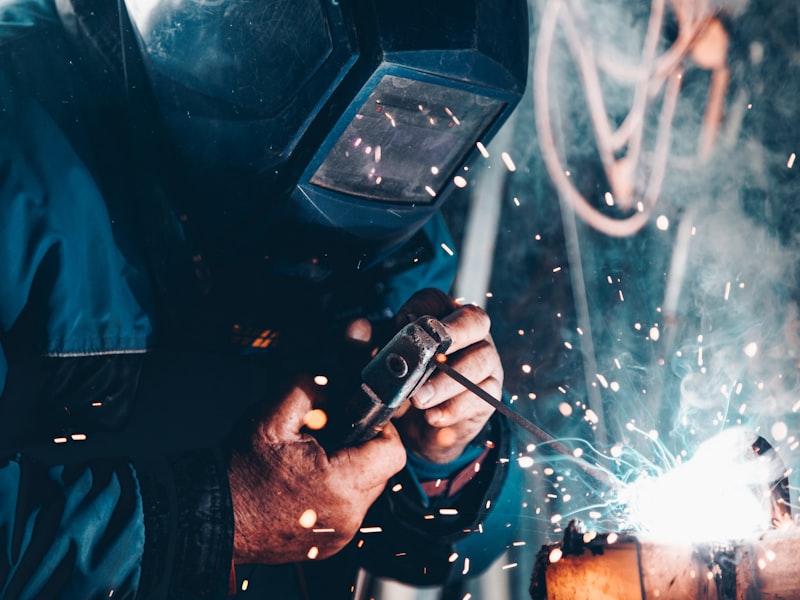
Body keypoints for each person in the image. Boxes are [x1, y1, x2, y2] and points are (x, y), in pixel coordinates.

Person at [0, 0, 529, 598]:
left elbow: (441, 560)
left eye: (421, 128)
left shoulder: (385, 212)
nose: (378, 158)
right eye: (372, 123)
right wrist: (211, 519)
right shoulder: (18, 153)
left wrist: (447, 454)